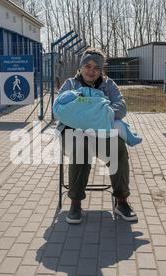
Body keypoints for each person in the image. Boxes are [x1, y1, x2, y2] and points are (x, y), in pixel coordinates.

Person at [58, 48, 137, 224]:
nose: (91, 71)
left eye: (96, 67)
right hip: (73, 133)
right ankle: (75, 202)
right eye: (87, 66)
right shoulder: (70, 85)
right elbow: (59, 109)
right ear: (80, 67)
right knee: (81, 147)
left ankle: (122, 201)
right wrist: (96, 112)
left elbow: (121, 107)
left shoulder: (109, 85)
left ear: (101, 70)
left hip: (102, 134)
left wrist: (91, 114)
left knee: (118, 148)